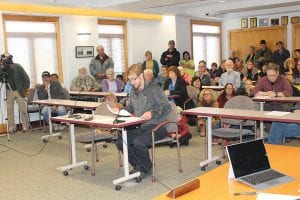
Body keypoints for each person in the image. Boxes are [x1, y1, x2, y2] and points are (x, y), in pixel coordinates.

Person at [115, 64, 171, 179]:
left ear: (141, 76)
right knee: (121, 142)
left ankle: (146, 168)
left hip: (159, 125)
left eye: (134, 79)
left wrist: (152, 113)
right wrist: (120, 110)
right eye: (130, 80)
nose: (132, 83)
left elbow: (167, 107)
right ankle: (138, 165)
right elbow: (131, 108)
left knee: (138, 142)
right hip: (142, 126)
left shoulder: (154, 88)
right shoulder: (132, 91)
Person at [1, 52, 30, 133]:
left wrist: (25, 88)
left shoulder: (17, 66)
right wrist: (2, 68)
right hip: (9, 90)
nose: (4, 58)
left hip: (19, 90)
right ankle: (12, 127)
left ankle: (25, 125)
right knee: (9, 109)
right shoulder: (2, 67)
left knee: (22, 108)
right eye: (3, 57)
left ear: (10, 57)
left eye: (6, 57)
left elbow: (26, 78)